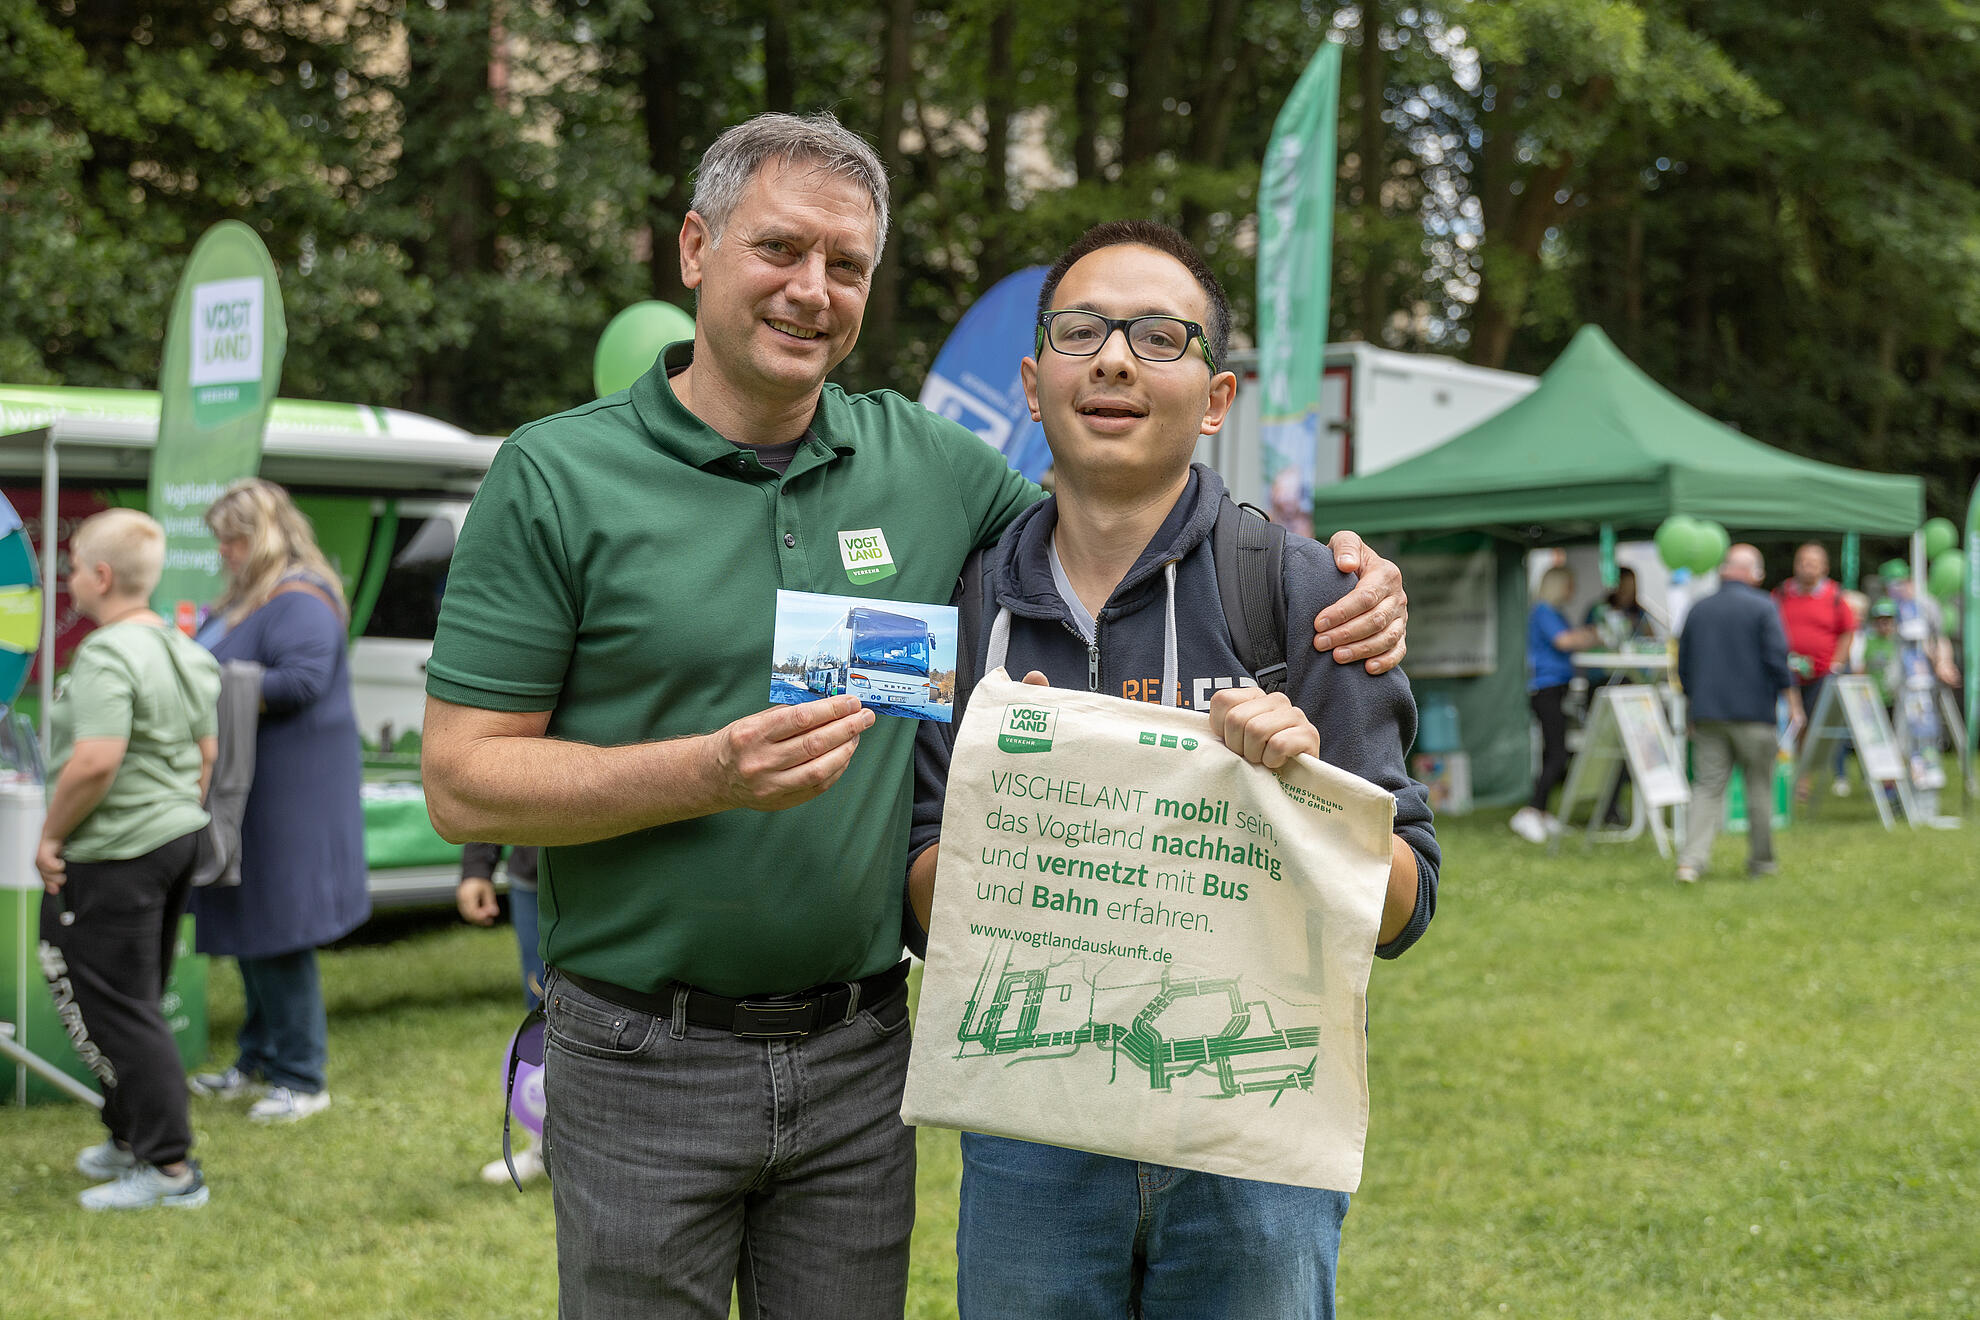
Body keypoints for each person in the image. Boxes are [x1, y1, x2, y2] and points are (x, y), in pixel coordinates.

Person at [418, 110, 1411, 1320]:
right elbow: (464, 782)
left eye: (845, 266)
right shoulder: (555, 475)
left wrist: (1350, 584)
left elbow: (1127, 501)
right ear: (693, 249)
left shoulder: (932, 476)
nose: (810, 290)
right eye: (778, 249)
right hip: (641, 1054)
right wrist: (711, 771)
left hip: (859, 1058)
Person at [903, 221, 1440, 1320]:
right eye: (1081, 330)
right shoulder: (965, 606)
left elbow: (1403, 905)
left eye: (1159, 336)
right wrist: (1014, 804)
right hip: (1031, 1140)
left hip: (1251, 1146)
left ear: (1217, 396)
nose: (1112, 359)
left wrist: (1301, 793)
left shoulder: (1303, 594)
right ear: (1032, 378)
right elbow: (915, 889)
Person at [35, 509, 219, 1210]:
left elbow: (96, 759)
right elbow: (205, 756)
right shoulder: (182, 648)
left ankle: (170, 1170)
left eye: (75, 565)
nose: (70, 579)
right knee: (131, 996)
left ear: (102, 576)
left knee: (116, 1008)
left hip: (117, 850)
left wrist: (51, 836)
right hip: (173, 838)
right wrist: (172, 814)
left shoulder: (108, 654)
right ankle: (127, 1137)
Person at [187, 478, 369, 1123]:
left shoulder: (299, 598)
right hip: (248, 792)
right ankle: (256, 1059)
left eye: (232, 540)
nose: (224, 553)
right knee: (250, 926)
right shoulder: (248, 599)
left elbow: (301, 681)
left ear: (258, 535)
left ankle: (301, 1076)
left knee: (278, 929)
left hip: (286, 797)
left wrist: (204, 679)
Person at [1675, 543, 1798, 883]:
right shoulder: (1763, 607)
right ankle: (1761, 863)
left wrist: (1692, 703)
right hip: (1755, 715)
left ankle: (1690, 862)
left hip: (1708, 714)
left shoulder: (1698, 608)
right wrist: (1790, 697)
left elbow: (1683, 665)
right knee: (1759, 788)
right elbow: (1777, 658)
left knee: (1706, 787)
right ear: (1752, 572)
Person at [456, 842, 545, 1183]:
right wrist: (477, 867)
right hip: (535, 873)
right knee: (544, 1024)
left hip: (617, 874)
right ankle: (545, 1147)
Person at [1512, 565, 1599, 844]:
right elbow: (1565, 641)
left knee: (1554, 752)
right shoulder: (1543, 612)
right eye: (1570, 584)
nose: (1573, 590)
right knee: (1558, 754)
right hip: (1545, 688)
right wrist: (1595, 635)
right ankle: (1531, 809)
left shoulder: (1555, 612)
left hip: (1557, 687)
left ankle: (1542, 811)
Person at [1772, 542, 1855, 800]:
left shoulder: (1835, 596)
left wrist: (1836, 664)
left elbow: (1848, 631)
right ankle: (1780, 777)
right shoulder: (1782, 593)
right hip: (1785, 674)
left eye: (1813, 562)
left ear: (1824, 567)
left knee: (1810, 726)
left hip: (1820, 675)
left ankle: (1803, 780)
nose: (1807, 567)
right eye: (1803, 562)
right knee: (1785, 724)